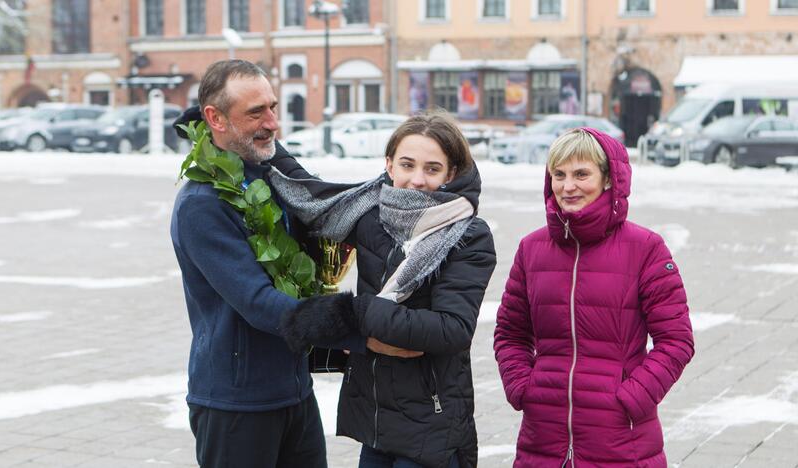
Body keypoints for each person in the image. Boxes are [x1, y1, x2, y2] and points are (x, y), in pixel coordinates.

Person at [171, 60, 413, 468]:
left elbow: (325, 201)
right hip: (236, 405)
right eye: (256, 112)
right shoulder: (202, 205)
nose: (273, 122)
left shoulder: (271, 173)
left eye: (273, 106)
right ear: (215, 119)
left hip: (294, 390)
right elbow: (260, 303)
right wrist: (361, 329)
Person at [269, 112, 497, 468]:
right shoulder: (370, 215)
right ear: (389, 164)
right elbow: (309, 191)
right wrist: (258, 135)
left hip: (430, 429)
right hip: (374, 424)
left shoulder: (468, 235)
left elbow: (451, 330)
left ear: (451, 174)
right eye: (407, 164)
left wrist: (356, 313)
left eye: (432, 169)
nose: (416, 180)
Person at [493, 128, 695, 467]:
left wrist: (632, 398)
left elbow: (676, 341)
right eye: (559, 175)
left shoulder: (646, 249)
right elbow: (510, 332)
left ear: (608, 180)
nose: (568, 186)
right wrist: (523, 387)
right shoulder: (531, 249)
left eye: (581, 174)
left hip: (620, 441)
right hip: (542, 440)